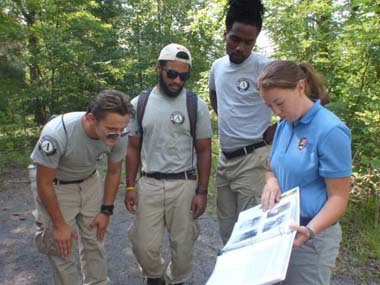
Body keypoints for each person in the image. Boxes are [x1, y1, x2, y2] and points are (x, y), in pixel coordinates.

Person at [124, 43, 212, 285]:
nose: (177, 81)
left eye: (183, 76)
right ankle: (154, 276)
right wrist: (130, 186)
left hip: (184, 184)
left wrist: (202, 192)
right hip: (149, 183)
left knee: (183, 246)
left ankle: (176, 280)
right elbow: (132, 147)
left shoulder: (196, 105)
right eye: (171, 73)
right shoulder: (139, 104)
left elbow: (204, 151)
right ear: (158, 68)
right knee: (143, 244)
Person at [258, 60, 352, 284]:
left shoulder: (331, 130)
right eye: (270, 106)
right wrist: (271, 182)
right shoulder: (284, 125)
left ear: (300, 87)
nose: (276, 112)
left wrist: (310, 230)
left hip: (311, 235)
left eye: (279, 103)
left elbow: (339, 197)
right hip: (281, 228)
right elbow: (273, 168)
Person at [31, 89, 134, 285]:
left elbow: (113, 172)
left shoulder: (120, 132)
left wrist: (106, 211)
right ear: (91, 118)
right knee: (62, 245)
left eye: (122, 129)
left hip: (89, 181)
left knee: (95, 239)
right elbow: (43, 182)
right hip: (56, 185)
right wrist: (59, 224)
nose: (118, 135)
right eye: (112, 128)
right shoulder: (56, 134)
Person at [208, 0, 274, 245]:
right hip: (225, 161)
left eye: (249, 42)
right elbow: (214, 92)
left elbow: (311, 96)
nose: (240, 47)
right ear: (225, 34)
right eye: (235, 39)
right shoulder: (217, 67)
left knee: (250, 233)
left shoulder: (266, 67)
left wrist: (279, 129)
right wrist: (224, 115)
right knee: (226, 230)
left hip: (253, 159)